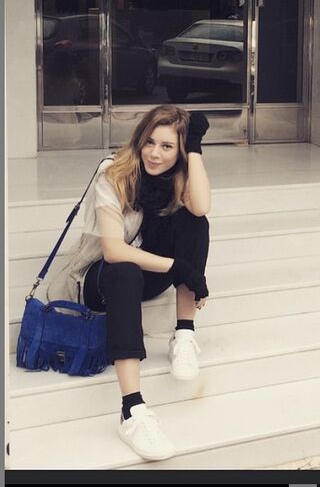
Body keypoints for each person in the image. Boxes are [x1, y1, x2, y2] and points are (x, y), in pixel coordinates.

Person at [47, 104, 211, 461]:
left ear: (180, 151)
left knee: (195, 223)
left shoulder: (178, 175)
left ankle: (184, 333)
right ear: (139, 139)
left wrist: (195, 147)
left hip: (144, 275)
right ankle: (132, 409)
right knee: (124, 269)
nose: (155, 153)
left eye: (167, 146)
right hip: (100, 280)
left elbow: (200, 207)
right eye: (149, 142)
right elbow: (112, 250)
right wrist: (180, 268)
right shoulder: (114, 173)